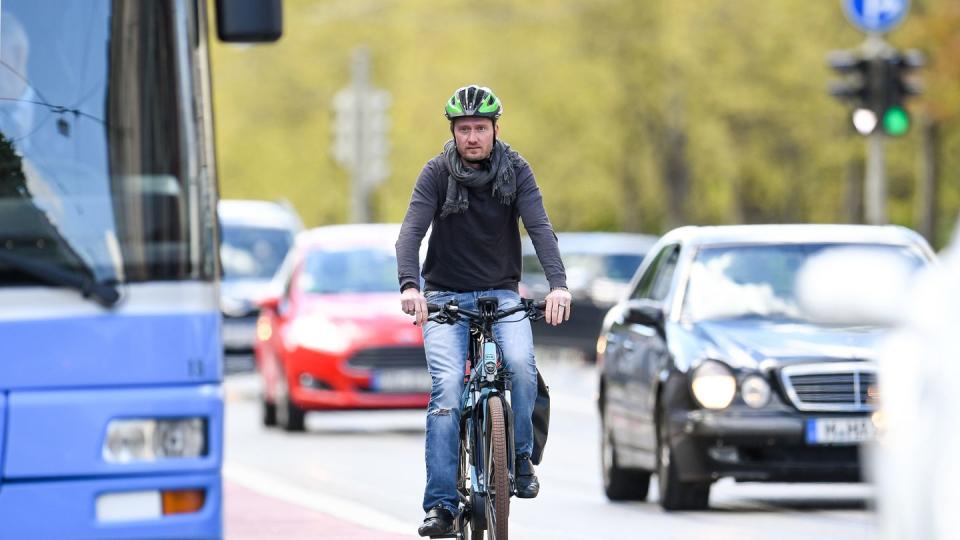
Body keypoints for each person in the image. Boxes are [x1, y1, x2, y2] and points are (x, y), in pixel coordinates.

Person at [395, 84, 572, 537]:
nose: (472, 137)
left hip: (502, 292)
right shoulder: (436, 173)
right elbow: (410, 235)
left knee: (521, 366)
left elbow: (540, 229)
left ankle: (519, 460)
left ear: (495, 129)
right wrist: (411, 287)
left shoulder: (516, 170)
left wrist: (558, 286)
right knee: (448, 390)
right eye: (463, 129)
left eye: (480, 128)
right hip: (443, 297)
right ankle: (440, 506)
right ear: (453, 132)